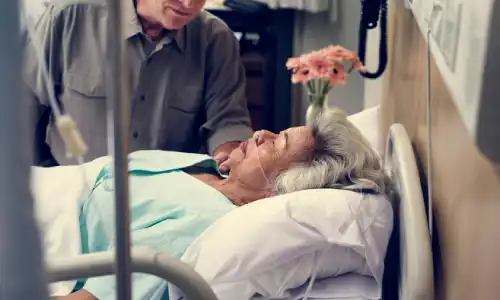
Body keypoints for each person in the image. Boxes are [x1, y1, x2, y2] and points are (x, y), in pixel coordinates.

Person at [52, 109, 389, 300]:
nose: (262, 134)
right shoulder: (209, 167)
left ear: (281, 189)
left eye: (276, 144)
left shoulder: (197, 226)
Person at [23, 0, 253, 167]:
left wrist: (230, 154)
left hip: (165, 202)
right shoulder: (69, 17)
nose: (188, 3)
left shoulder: (216, 39)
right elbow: (20, 109)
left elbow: (227, 120)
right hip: (72, 192)